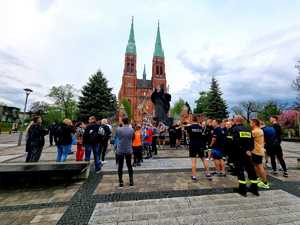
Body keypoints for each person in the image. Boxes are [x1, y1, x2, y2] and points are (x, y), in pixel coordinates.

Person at [232, 116, 259, 197]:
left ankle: (242, 189)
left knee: (240, 171)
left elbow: (235, 143)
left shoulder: (235, 129)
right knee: (251, 170)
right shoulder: (248, 129)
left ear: (236, 120)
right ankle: (254, 189)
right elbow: (252, 142)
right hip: (248, 153)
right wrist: (249, 150)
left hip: (238, 153)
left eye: (233, 120)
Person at [186, 115, 211, 181]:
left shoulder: (189, 127)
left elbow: (188, 135)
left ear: (192, 120)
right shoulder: (200, 127)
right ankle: (208, 173)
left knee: (194, 161)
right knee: (204, 159)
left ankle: (194, 176)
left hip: (193, 144)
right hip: (200, 144)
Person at [250, 119, 270, 189]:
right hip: (259, 150)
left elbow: (248, 140)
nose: (250, 124)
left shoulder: (255, 131)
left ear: (254, 123)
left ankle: (265, 183)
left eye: (251, 122)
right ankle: (259, 178)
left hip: (256, 151)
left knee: (260, 166)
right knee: (256, 165)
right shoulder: (260, 130)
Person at [115, 117, 134, 187]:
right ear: (128, 122)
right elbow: (132, 138)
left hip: (120, 149)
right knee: (129, 165)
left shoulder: (118, 129)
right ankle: (131, 181)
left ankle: (120, 181)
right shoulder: (131, 129)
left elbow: (117, 137)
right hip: (128, 149)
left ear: (122, 122)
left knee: (120, 166)